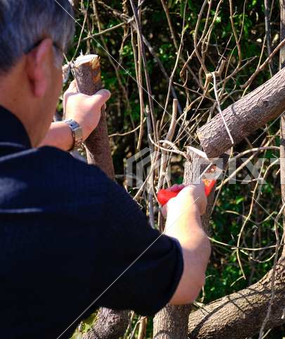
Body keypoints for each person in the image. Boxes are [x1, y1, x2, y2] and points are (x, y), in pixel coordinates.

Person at [0, 0, 210, 338]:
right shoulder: (71, 199)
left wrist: (73, 129)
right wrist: (184, 209)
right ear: (38, 65)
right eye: (61, 64)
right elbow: (185, 278)